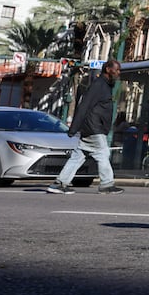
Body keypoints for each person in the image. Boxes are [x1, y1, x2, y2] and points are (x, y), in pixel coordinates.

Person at [48, 59, 123, 195]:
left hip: (92, 127)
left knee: (78, 156)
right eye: (116, 70)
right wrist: (74, 128)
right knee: (103, 153)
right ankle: (106, 184)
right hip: (94, 127)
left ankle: (59, 183)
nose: (118, 73)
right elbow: (85, 105)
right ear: (108, 70)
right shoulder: (99, 85)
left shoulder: (104, 86)